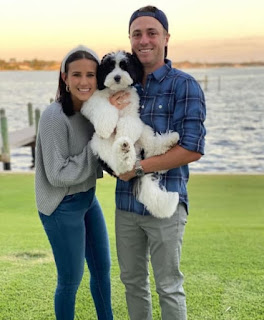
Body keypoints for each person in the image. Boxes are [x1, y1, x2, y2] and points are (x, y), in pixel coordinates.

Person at [115, 6, 206, 320]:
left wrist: (139, 168)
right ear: (130, 39)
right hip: (126, 205)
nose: (144, 40)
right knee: (132, 284)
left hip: (166, 202)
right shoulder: (122, 85)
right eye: (136, 34)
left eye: (151, 32)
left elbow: (192, 149)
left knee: (168, 285)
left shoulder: (185, 85)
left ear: (166, 37)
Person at [35, 45, 126, 320]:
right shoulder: (54, 117)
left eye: (90, 75)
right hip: (61, 206)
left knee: (102, 272)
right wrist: (97, 144)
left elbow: (109, 146)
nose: (84, 82)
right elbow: (57, 174)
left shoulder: (92, 112)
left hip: (88, 198)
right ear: (65, 77)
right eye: (77, 75)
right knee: (70, 281)